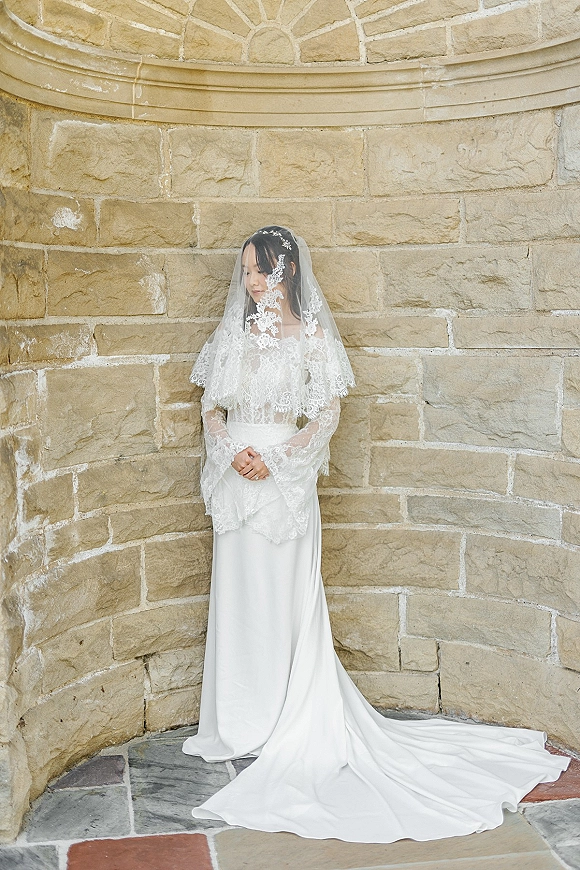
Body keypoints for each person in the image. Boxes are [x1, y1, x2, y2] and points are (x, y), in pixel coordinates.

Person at [182, 225, 568, 843]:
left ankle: (285, 718)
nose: (250, 281)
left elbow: (328, 413)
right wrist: (229, 450)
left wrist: (276, 460)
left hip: (282, 477)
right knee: (240, 595)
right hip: (236, 479)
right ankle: (238, 717)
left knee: (282, 597)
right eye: (246, 271)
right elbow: (210, 403)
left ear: (284, 272)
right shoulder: (232, 334)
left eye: (258, 270)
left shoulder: (310, 337)